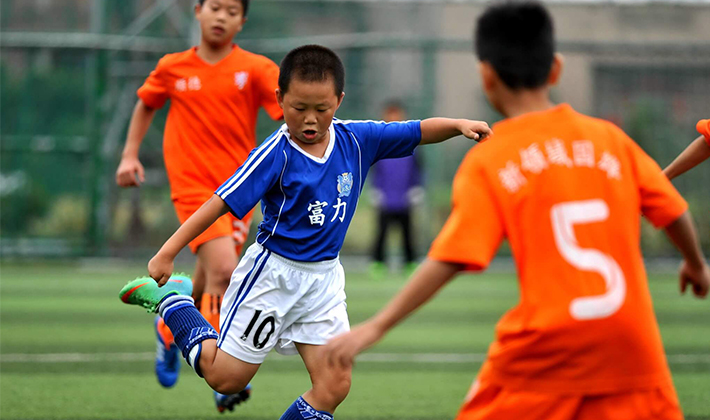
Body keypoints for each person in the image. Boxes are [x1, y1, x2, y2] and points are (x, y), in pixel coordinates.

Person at [324, 3, 710, 420]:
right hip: (634, 356)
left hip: (545, 354)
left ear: (486, 76)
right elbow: (674, 211)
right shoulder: (611, 141)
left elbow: (451, 257)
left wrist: (376, 325)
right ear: (556, 69)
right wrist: (695, 263)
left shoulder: (493, 160)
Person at [118, 44, 491, 420]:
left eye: (321, 109)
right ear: (280, 99)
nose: (310, 120)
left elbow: (417, 130)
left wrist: (459, 125)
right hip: (273, 277)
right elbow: (219, 203)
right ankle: (175, 301)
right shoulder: (274, 154)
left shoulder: (357, 140)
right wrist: (167, 251)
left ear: (339, 101)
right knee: (225, 379)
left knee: (334, 384)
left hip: (324, 282)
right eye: (299, 109)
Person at [114, 0, 282, 410]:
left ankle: (169, 326)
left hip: (239, 189)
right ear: (198, 11)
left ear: (242, 21)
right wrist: (129, 154)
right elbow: (146, 103)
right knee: (225, 270)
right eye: (215, 7)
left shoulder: (257, 69)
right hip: (192, 187)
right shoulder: (173, 67)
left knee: (208, 279)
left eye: (231, 11)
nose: (221, 16)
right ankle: (223, 375)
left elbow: (291, 111)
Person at [369, 101, 424, 278]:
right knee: (381, 232)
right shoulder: (379, 142)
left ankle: (410, 263)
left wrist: (416, 188)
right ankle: (378, 263)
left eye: (396, 114)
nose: (393, 118)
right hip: (385, 196)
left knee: (408, 232)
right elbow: (373, 168)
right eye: (390, 114)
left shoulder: (411, 142)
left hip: (405, 197)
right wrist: (375, 189)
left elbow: (418, 168)